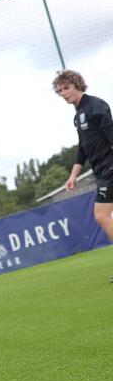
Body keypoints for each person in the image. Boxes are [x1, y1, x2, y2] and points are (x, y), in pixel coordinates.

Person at [53, 70, 113, 271]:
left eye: (66, 88)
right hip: (101, 171)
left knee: (101, 215)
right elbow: (83, 148)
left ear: (77, 85)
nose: (63, 93)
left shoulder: (96, 106)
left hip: (110, 168)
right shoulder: (78, 116)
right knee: (103, 216)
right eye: (59, 90)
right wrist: (73, 175)